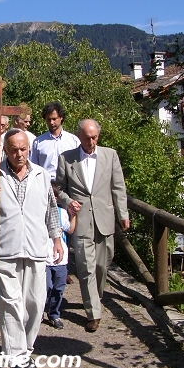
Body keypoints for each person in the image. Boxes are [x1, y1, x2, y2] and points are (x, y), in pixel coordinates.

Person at [0, 129, 63, 368]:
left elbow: (52, 212)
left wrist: (56, 239)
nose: (19, 154)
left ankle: (25, 351)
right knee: (10, 304)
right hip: (6, 248)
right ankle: (15, 360)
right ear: (5, 151)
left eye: (23, 149)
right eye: (13, 149)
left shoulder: (41, 175)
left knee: (34, 304)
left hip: (36, 247)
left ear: (29, 149)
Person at [55, 119, 129, 333]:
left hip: (104, 219)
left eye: (94, 137)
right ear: (79, 136)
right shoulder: (66, 159)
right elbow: (58, 190)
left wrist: (122, 214)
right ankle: (93, 313)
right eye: (87, 137)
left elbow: (118, 187)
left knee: (102, 266)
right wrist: (69, 202)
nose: (91, 141)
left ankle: (95, 297)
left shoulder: (110, 155)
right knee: (86, 267)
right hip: (81, 221)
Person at [45, 183, 76, 330]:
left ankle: (54, 314)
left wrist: (74, 215)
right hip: (43, 256)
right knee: (46, 287)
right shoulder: (37, 213)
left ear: (56, 198)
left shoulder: (61, 212)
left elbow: (69, 229)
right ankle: (40, 311)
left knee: (58, 288)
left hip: (60, 258)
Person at [30, 101, 80, 180]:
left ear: (61, 117)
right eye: (48, 119)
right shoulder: (38, 142)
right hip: (46, 183)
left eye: (54, 119)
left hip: (68, 184)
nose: (51, 122)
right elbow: (33, 166)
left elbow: (79, 165)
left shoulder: (73, 141)